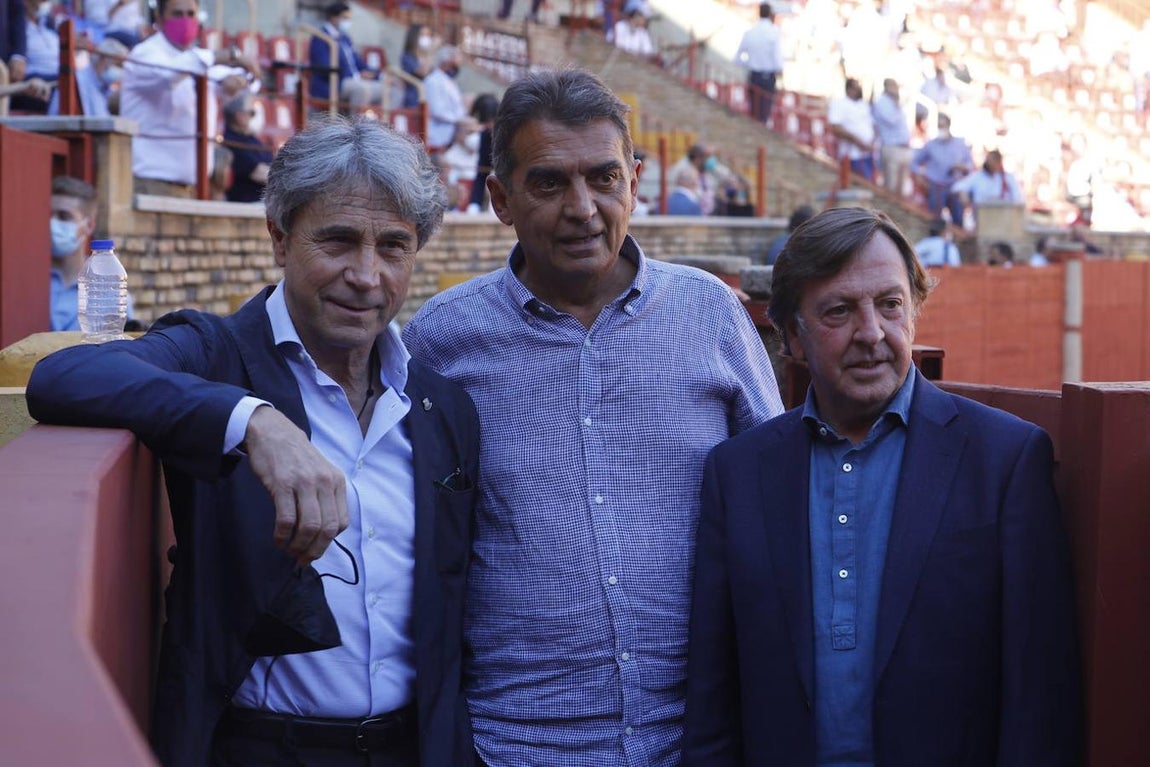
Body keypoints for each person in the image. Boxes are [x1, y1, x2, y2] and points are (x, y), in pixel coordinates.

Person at [27, 117, 481, 767]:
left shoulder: (442, 406)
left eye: (393, 247)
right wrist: (254, 421)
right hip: (259, 747)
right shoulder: (218, 354)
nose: (366, 274)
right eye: (339, 241)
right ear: (279, 237)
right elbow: (63, 375)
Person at [403, 67, 784, 767]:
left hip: (694, 741)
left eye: (603, 178)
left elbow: (780, 502)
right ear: (500, 199)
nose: (583, 207)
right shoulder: (440, 339)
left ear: (634, 181)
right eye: (550, 183)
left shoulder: (711, 314)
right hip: (511, 744)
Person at [682, 206, 1082, 767]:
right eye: (839, 311)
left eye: (890, 305)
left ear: (914, 312)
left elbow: (1039, 699)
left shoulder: (1006, 460)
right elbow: (714, 696)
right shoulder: (738, 473)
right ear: (793, 337)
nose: (871, 334)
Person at [120, 0, 260, 197]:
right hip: (149, 185)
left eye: (190, 14)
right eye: (178, 14)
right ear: (159, 20)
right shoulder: (145, 54)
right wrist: (229, 55)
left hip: (194, 188)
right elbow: (171, 73)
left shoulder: (197, 57)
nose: (185, 21)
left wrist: (238, 79)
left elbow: (247, 80)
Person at [48, 175, 136, 331]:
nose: (52, 224)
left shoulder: (109, 292)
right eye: (48, 216)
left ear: (88, 225)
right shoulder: (22, 279)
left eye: (63, 216)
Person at [308, 2, 384, 112]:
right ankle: (355, 127)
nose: (348, 22)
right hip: (334, 83)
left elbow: (358, 62)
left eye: (349, 18)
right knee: (361, 89)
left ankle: (381, 125)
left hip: (352, 80)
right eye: (345, 18)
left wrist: (378, 75)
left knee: (387, 89)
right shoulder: (320, 37)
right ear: (334, 18)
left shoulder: (345, 37)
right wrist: (357, 75)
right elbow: (324, 66)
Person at [910, 113, 973, 226]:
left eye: (942, 126)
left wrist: (962, 167)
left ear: (948, 125)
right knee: (935, 220)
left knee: (958, 220)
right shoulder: (931, 145)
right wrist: (919, 175)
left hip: (955, 186)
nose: (941, 129)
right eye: (939, 126)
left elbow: (969, 165)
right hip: (936, 187)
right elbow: (914, 162)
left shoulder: (960, 144)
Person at [48, 35, 128, 116]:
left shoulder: (107, 89)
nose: (120, 72)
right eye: (118, 65)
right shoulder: (76, 82)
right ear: (102, 59)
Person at [736, 2, 783, 123]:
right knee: (764, 113)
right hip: (767, 78)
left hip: (754, 75)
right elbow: (778, 61)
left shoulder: (751, 31)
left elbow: (738, 58)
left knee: (754, 112)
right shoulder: (774, 32)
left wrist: (750, 64)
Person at [951, 149, 1024, 226]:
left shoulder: (1008, 178)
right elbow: (956, 187)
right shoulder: (977, 177)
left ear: (999, 162)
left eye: (993, 160)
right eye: (988, 160)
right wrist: (963, 194)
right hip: (982, 219)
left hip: (1004, 219)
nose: (989, 163)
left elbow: (1018, 199)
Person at [221, 92, 271, 203]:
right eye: (251, 113)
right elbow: (260, 174)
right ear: (239, 116)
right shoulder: (232, 142)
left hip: (262, 199)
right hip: (248, 201)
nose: (252, 117)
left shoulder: (251, 138)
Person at [828, 77, 875, 181]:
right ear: (849, 89)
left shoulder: (863, 105)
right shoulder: (839, 104)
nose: (859, 90)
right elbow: (836, 128)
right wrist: (856, 141)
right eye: (856, 87)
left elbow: (871, 126)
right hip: (851, 155)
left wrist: (870, 143)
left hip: (867, 154)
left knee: (869, 185)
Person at [423, 45, 466, 153]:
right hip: (438, 135)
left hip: (453, 133)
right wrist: (458, 120)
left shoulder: (450, 82)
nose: (457, 67)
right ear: (446, 62)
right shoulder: (433, 81)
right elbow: (437, 111)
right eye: (454, 64)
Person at [871, 78, 911, 195]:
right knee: (891, 187)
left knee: (902, 188)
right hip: (891, 147)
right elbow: (891, 120)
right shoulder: (882, 102)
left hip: (903, 147)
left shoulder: (895, 102)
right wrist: (897, 102)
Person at [466, 92, 499, 213]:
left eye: (490, 121)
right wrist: (474, 204)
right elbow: (481, 172)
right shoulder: (485, 135)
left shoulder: (510, 133)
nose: (488, 125)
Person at [397, 22, 434, 109]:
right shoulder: (407, 57)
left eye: (428, 35)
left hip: (429, 97)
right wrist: (430, 52)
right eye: (422, 35)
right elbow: (423, 72)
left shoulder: (425, 57)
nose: (426, 38)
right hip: (414, 99)